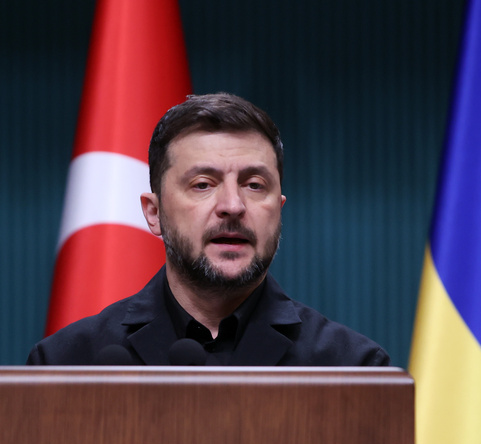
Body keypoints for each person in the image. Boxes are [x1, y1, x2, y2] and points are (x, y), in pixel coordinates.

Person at [27, 93, 389, 366]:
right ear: (153, 213)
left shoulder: (351, 367)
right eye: (203, 184)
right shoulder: (68, 362)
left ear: (278, 211)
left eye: (254, 185)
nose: (232, 205)